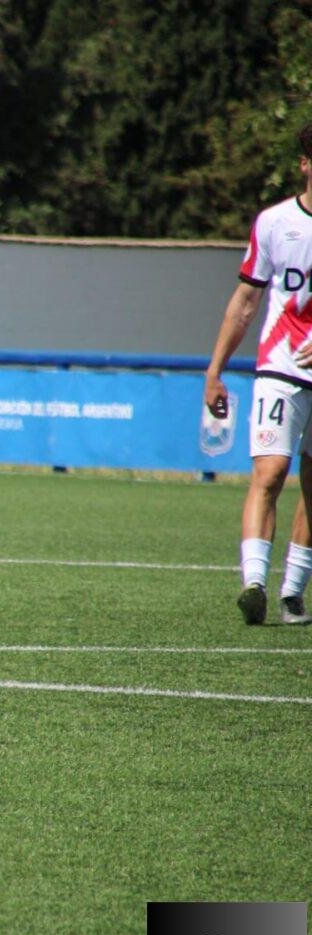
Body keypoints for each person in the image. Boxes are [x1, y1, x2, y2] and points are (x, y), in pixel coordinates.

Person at [204, 121, 312, 626]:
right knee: (269, 473)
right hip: (279, 368)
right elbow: (246, 301)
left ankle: (293, 593)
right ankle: (254, 584)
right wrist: (215, 371)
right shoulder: (273, 223)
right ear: (305, 164)